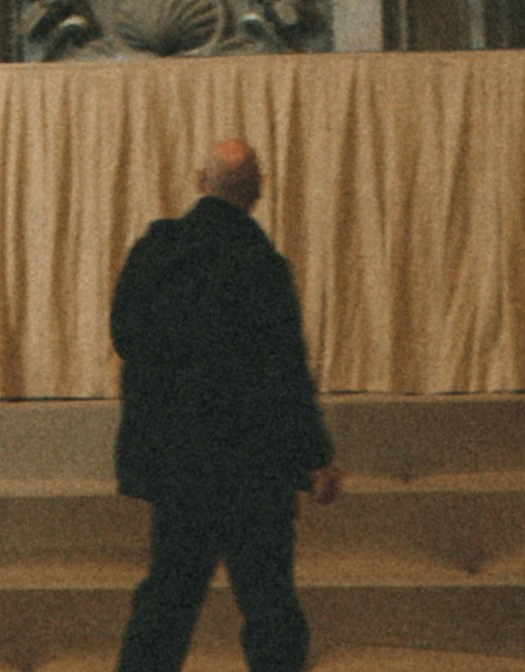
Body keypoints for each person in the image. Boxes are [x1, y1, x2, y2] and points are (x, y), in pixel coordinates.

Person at [109, 137, 339, 672]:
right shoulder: (261, 264)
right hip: (250, 466)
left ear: (199, 181)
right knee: (269, 605)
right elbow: (286, 373)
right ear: (257, 191)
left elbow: (126, 337)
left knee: (166, 600)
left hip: (178, 460)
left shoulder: (155, 252)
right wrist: (316, 454)